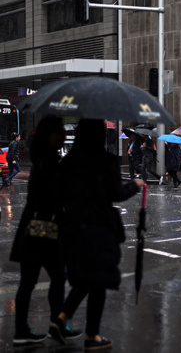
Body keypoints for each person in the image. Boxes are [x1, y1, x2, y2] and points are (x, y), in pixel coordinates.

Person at [52, 119, 143, 350]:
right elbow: (117, 193)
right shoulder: (105, 161)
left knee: (84, 278)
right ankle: (92, 336)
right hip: (98, 229)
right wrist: (135, 185)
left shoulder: (68, 162)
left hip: (72, 228)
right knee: (98, 280)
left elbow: (59, 195)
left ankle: (62, 318)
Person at [10, 117, 81, 346]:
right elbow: (55, 196)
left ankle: (29, 328)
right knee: (57, 277)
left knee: (32, 281)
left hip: (34, 229)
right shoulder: (48, 161)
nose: (63, 135)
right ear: (49, 135)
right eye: (60, 131)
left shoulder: (44, 158)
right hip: (43, 231)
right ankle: (54, 324)